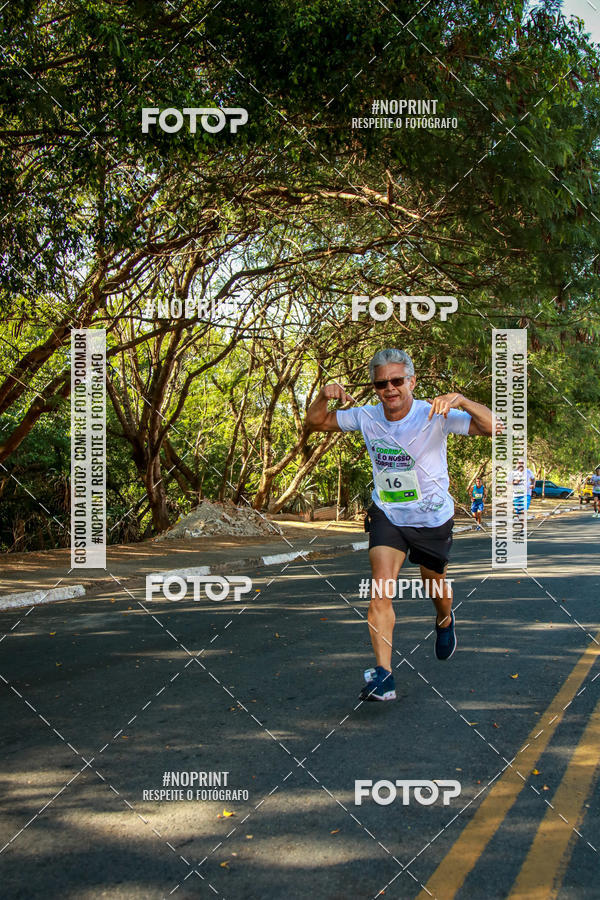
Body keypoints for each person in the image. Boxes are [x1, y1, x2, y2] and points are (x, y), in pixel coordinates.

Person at [304, 348, 494, 702]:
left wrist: (463, 401)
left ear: (411, 381)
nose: (389, 389)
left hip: (432, 518)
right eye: (381, 383)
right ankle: (384, 676)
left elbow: (494, 427)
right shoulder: (366, 416)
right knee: (381, 588)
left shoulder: (434, 414)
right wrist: (323, 395)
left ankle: (445, 620)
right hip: (388, 514)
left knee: (433, 586)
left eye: (396, 381)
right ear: (375, 386)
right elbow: (315, 422)